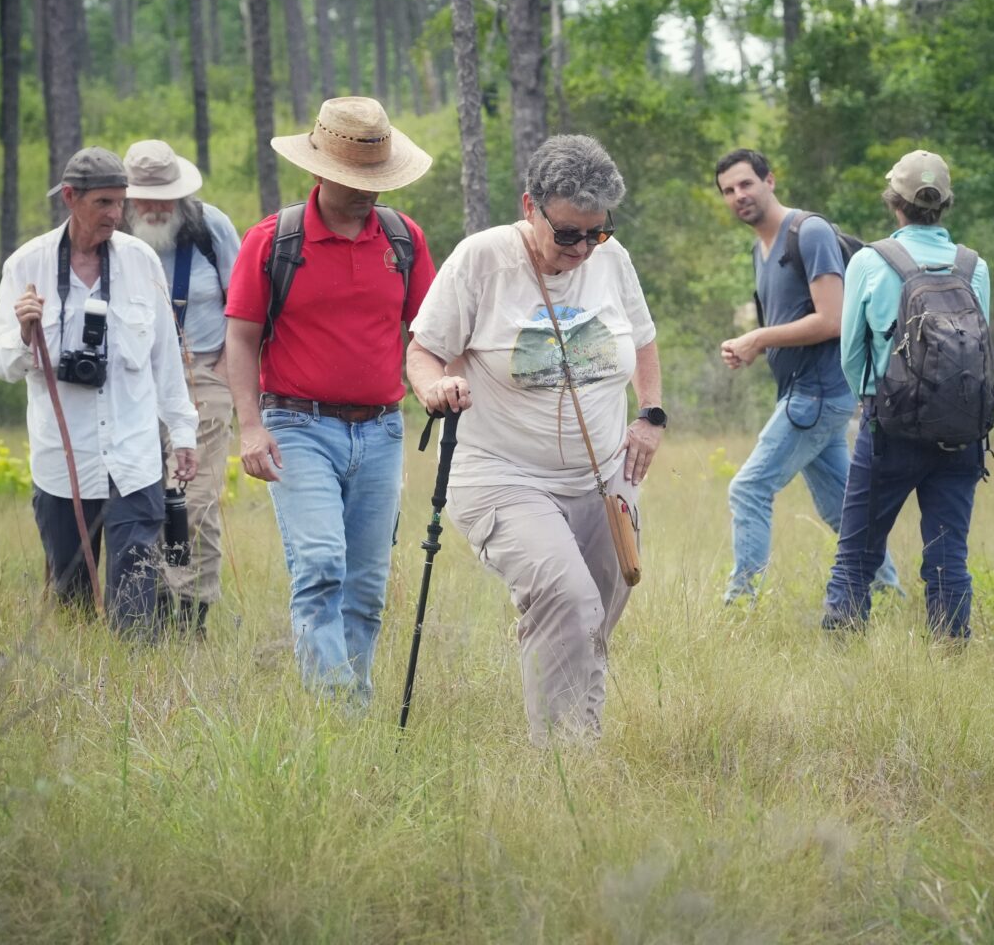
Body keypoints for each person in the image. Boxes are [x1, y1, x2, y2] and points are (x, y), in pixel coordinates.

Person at [407, 135, 664, 747]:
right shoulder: (481, 261)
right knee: (566, 596)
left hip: (604, 474)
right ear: (530, 206)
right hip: (503, 473)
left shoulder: (612, 257)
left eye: (595, 233)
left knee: (597, 612)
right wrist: (435, 387)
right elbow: (421, 352)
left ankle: (582, 743)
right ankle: (560, 762)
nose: (582, 249)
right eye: (568, 234)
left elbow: (643, 339)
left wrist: (650, 416)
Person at [224, 96, 435, 702]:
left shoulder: (402, 238)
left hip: (381, 431)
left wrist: (440, 382)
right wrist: (250, 428)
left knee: (366, 587)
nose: (366, 190)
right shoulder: (274, 240)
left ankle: (351, 701)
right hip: (296, 424)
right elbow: (240, 340)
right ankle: (340, 711)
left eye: (375, 178)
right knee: (320, 566)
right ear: (319, 171)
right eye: (353, 179)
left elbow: (426, 332)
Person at [0, 147, 198, 634]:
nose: (116, 215)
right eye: (103, 203)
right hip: (65, 462)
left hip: (135, 459)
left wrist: (183, 433)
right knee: (72, 597)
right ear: (71, 198)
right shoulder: (27, 265)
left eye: (120, 203)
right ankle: (84, 692)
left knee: (136, 595)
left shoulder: (141, 261)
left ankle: (137, 688)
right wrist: (23, 333)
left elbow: (165, 357)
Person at [715, 149, 901, 603]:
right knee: (841, 509)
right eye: (728, 191)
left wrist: (758, 337)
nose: (739, 196)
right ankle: (889, 595)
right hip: (803, 393)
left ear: (770, 181)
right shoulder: (760, 249)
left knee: (749, 488)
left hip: (819, 395)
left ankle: (740, 607)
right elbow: (795, 321)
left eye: (746, 184)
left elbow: (833, 319)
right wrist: (758, 348)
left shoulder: (809, 232)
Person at [822, 150, 991, 638]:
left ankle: (842, 661)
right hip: (961, 433)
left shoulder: (871, 262)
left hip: (888, 429)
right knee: (948, 556)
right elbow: (979, 352)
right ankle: (951, 660)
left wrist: (873, 402)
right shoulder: (974, 267)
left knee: (857, 553)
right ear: (946, 203)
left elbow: (852, 354)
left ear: (893, 201)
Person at [123, 139, 241, 637]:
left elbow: (243, 304)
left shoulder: (210, 227)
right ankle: (142, 607)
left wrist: (228, 368)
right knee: (139, 500)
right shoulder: (113, 233)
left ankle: (189, 617)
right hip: (130, 385)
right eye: (144, 198)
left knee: (192, 502)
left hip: (203, 375)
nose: (153, 208)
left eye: (163, 197)